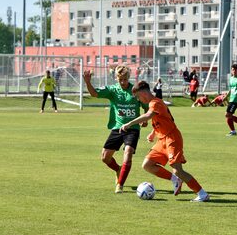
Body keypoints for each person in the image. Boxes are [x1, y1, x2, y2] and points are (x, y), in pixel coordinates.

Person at [120, 81, 210, 202]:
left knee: (177, 170)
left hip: (172, 138)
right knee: (147, 164)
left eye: (138, 97)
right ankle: (175, 180)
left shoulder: (155, 102)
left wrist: (129, 123)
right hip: (162, 140)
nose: (138, 100)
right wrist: (153, 133)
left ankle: (202, 194)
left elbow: (148, 115)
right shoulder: (155, 103)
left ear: (143, 93)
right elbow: (162, 119)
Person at [83, 65, 148, 193]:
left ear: (128, 77)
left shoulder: (135, 91)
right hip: (117, 128)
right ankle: (118, 169)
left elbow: (146, 106)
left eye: (125, 79)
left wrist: (145, 119)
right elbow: (94, 93)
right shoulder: (112, 90)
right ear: (117, 78)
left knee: (128, 153)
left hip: (132, 128)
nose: (123, 82)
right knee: (105, 158)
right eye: (120, 79)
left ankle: (120, 184)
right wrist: (87, 82)